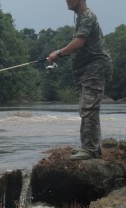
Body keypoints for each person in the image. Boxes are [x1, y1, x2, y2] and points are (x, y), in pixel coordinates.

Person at [47, 0, 113, 160]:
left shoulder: (88, 17)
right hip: (88, 72)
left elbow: (78, 43)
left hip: (95, 69)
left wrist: (58, 53)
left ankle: (89, 150)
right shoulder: (81, 18)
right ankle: (91, 148)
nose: (67, 1)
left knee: (88, 109)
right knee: (88, 109)